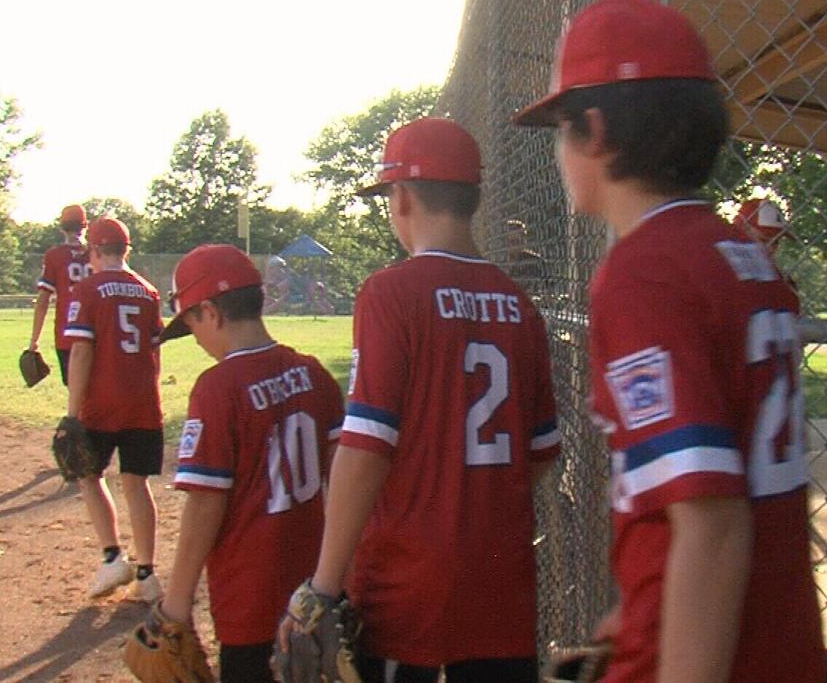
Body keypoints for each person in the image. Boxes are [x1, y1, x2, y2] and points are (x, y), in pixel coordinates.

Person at [512, 0, 826, 683]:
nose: (560, 153)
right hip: (780, 643)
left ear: (595, 131)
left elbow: (710, 524)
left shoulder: (644, 272)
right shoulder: (737, 255)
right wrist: (636, 611)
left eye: (561, 130)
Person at [281, 117, 561, 683]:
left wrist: (324, 584)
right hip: (501, 585)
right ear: (474, 198)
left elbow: (364, 449)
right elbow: (542, 454)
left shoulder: (391, 292)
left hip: (407, 586)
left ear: (402, 197)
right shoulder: (519, 305)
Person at [151, 243, 344, 683]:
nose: (197, 339)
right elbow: (343, 480)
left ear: (211, 313)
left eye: (193, 324)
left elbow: (205, 503)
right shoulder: (314, 374)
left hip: (249, 600)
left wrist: (177, 602)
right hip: (314, 591)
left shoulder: (218, 388)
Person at [63, 216, 166, 602]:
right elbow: (154, 351)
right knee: (136, 483)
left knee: (88, 475)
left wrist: (73, 413)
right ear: (126, 251)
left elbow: (82, 350)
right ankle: (147, 574)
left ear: (93, 250)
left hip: (102, 403)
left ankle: (112, 557)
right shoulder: (148, 291)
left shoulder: (88, 289)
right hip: (143, 402)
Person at [29, 204, 91, 384]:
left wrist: (34, 341)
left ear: (62, 228)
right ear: (85, 226)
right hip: (97, 330)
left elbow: (42, 301)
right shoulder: (97, 253)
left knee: (75, 387)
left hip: (68, 331)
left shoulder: (55, 255)